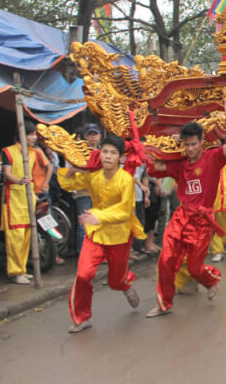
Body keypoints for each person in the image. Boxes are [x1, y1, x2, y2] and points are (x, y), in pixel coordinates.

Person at [146, 107, 226, 318]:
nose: (190, 148)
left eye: (194, 144)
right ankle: (163, 303)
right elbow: (157, 165)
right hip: (181, 218)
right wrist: (143, 149)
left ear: (201, 141)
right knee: (165, 259)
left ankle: (211, 280)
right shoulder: (179, 163)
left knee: (195, 269)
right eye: (186, 145)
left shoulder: (213, 158)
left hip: (202, 222)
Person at [58, 135, 145, 333]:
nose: (107, 156)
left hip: (119, 236)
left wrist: (99, 216)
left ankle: (125, 285)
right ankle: (82, 317)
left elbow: (125, 211)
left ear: (120, 157)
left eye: (113, 153)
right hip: (95, 233)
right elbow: (68, 184)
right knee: (83, 274)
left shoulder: (126, 180)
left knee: (115, 280)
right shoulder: (93, 176)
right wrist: (72, 170)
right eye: (104, 151)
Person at [0, 121, 39, 285]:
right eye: (31, 134)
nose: (34, 137)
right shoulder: (7, 152)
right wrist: (19, 181)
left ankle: (22, 268)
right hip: (13, 198)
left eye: (34, 134)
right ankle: (15, 271)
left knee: (26, 235)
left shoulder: (33, 154)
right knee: (15, 236)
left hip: (27, 197)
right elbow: (6, 173)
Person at [72, 123, 102, 255]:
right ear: (85, 137)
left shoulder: (104, 152)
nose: (92, 138)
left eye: (95, 135)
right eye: (90, 135)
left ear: (100, 136)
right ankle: (84, 255)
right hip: (84, 193)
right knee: (83, 226)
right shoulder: (79, 152)